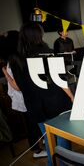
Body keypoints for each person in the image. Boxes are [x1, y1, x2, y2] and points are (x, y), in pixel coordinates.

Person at [9, 22, 73, 166]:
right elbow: (61, 80)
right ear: (39, 35)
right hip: (55, 103)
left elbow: (18, 87)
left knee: (49, 142)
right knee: (62, 140)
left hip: (34, 107)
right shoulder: (48, 52)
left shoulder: (15, 58)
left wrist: (7, 75)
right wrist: (72, 96)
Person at [1, 30, 47, 158]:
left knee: (34, 123)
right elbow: (17, 87)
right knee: (31, 124)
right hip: (24, 98)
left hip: (27, 97)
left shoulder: (17, 57)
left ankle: (42, 141)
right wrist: (5, 73)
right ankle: (36, 150)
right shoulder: (14, 60)